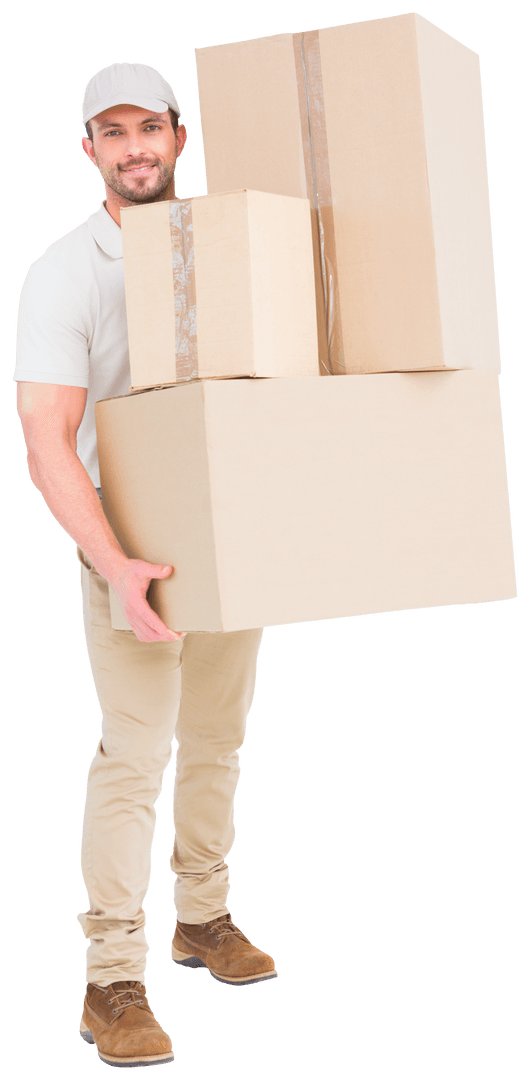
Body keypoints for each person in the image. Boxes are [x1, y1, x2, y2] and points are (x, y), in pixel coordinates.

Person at [14, 61, 277, 1071]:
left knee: (218, 736)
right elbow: (45, 437)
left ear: (178, 136)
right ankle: (111, 979)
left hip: (224, 541)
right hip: (120, 547)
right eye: (110, 132)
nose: (133, 148)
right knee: (134, 756)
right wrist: (116, 564)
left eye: (149, 129)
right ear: (90, 150)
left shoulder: (221, 252)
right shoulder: (64, 271)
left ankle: (201, 916)